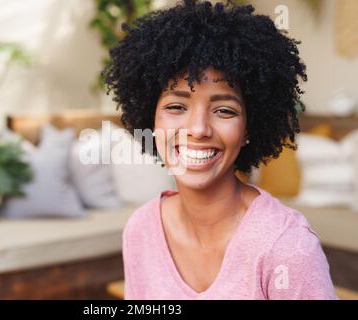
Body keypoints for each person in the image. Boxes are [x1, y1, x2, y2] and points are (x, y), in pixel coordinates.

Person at [104, 0, 337, 299]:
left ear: (249, 128)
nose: (199, 129)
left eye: (224, 111)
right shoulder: (141, 230)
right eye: (176, 107)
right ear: (152, 119)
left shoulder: (286, 247)